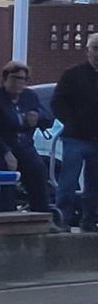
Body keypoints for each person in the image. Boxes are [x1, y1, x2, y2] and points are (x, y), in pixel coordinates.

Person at [0, 60, 55, 220]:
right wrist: (5, 151)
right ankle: (6, 216)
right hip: (3, 147)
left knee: (38, 169)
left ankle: (42, 215)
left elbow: (48, 118)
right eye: (14, 78)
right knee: (6, 171)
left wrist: (38, 117)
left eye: (22, 79)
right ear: (5, 79)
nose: (18, 83)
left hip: (25, 146)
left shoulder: (30, 97)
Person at [51, 33, 98, 233]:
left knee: (95, 186)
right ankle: (62, 220)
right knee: (68, 182)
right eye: (95, 48)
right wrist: (72, 122)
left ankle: (89, 222)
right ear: (87, 50)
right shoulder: (72, 74)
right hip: (75, 138)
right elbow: (57, 102)